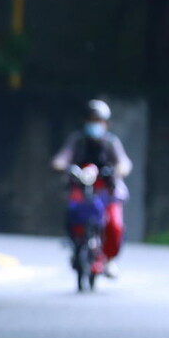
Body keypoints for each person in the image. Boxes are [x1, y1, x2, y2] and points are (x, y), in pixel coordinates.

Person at [52, 99, 133, 276]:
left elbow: (124, 163)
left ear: (106, 123)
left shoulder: (111, 143)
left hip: (106, 191)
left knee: (114, 225)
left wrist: (117, 171)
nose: (94, 124)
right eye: (91, 120)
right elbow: (61, 159)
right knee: (73, 213)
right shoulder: (77, 141)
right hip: (82, 187)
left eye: (98, 121)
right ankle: (76, 242)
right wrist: (62, 166)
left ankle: (109, 260)